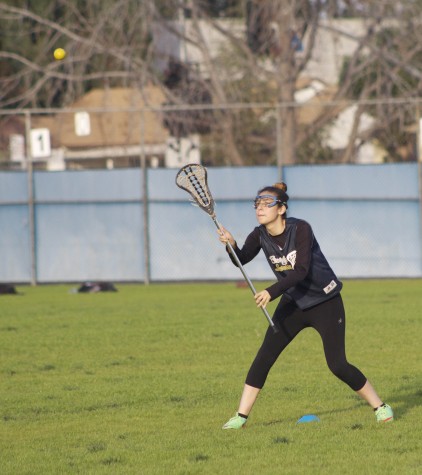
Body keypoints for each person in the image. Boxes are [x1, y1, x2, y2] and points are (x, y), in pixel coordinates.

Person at [217, 182, 393, 429]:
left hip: (325, 301)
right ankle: (240, 417)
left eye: (267, 203)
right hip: (293, 303)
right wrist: (231, 245)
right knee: (264, 357)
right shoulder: (259, 234)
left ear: (281, 209)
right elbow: (242, 259)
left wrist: (271, 291)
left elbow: (300, 271)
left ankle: (380, 406)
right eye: (257, 203)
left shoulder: (301, 229)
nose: (260, 208)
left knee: (337, 364)